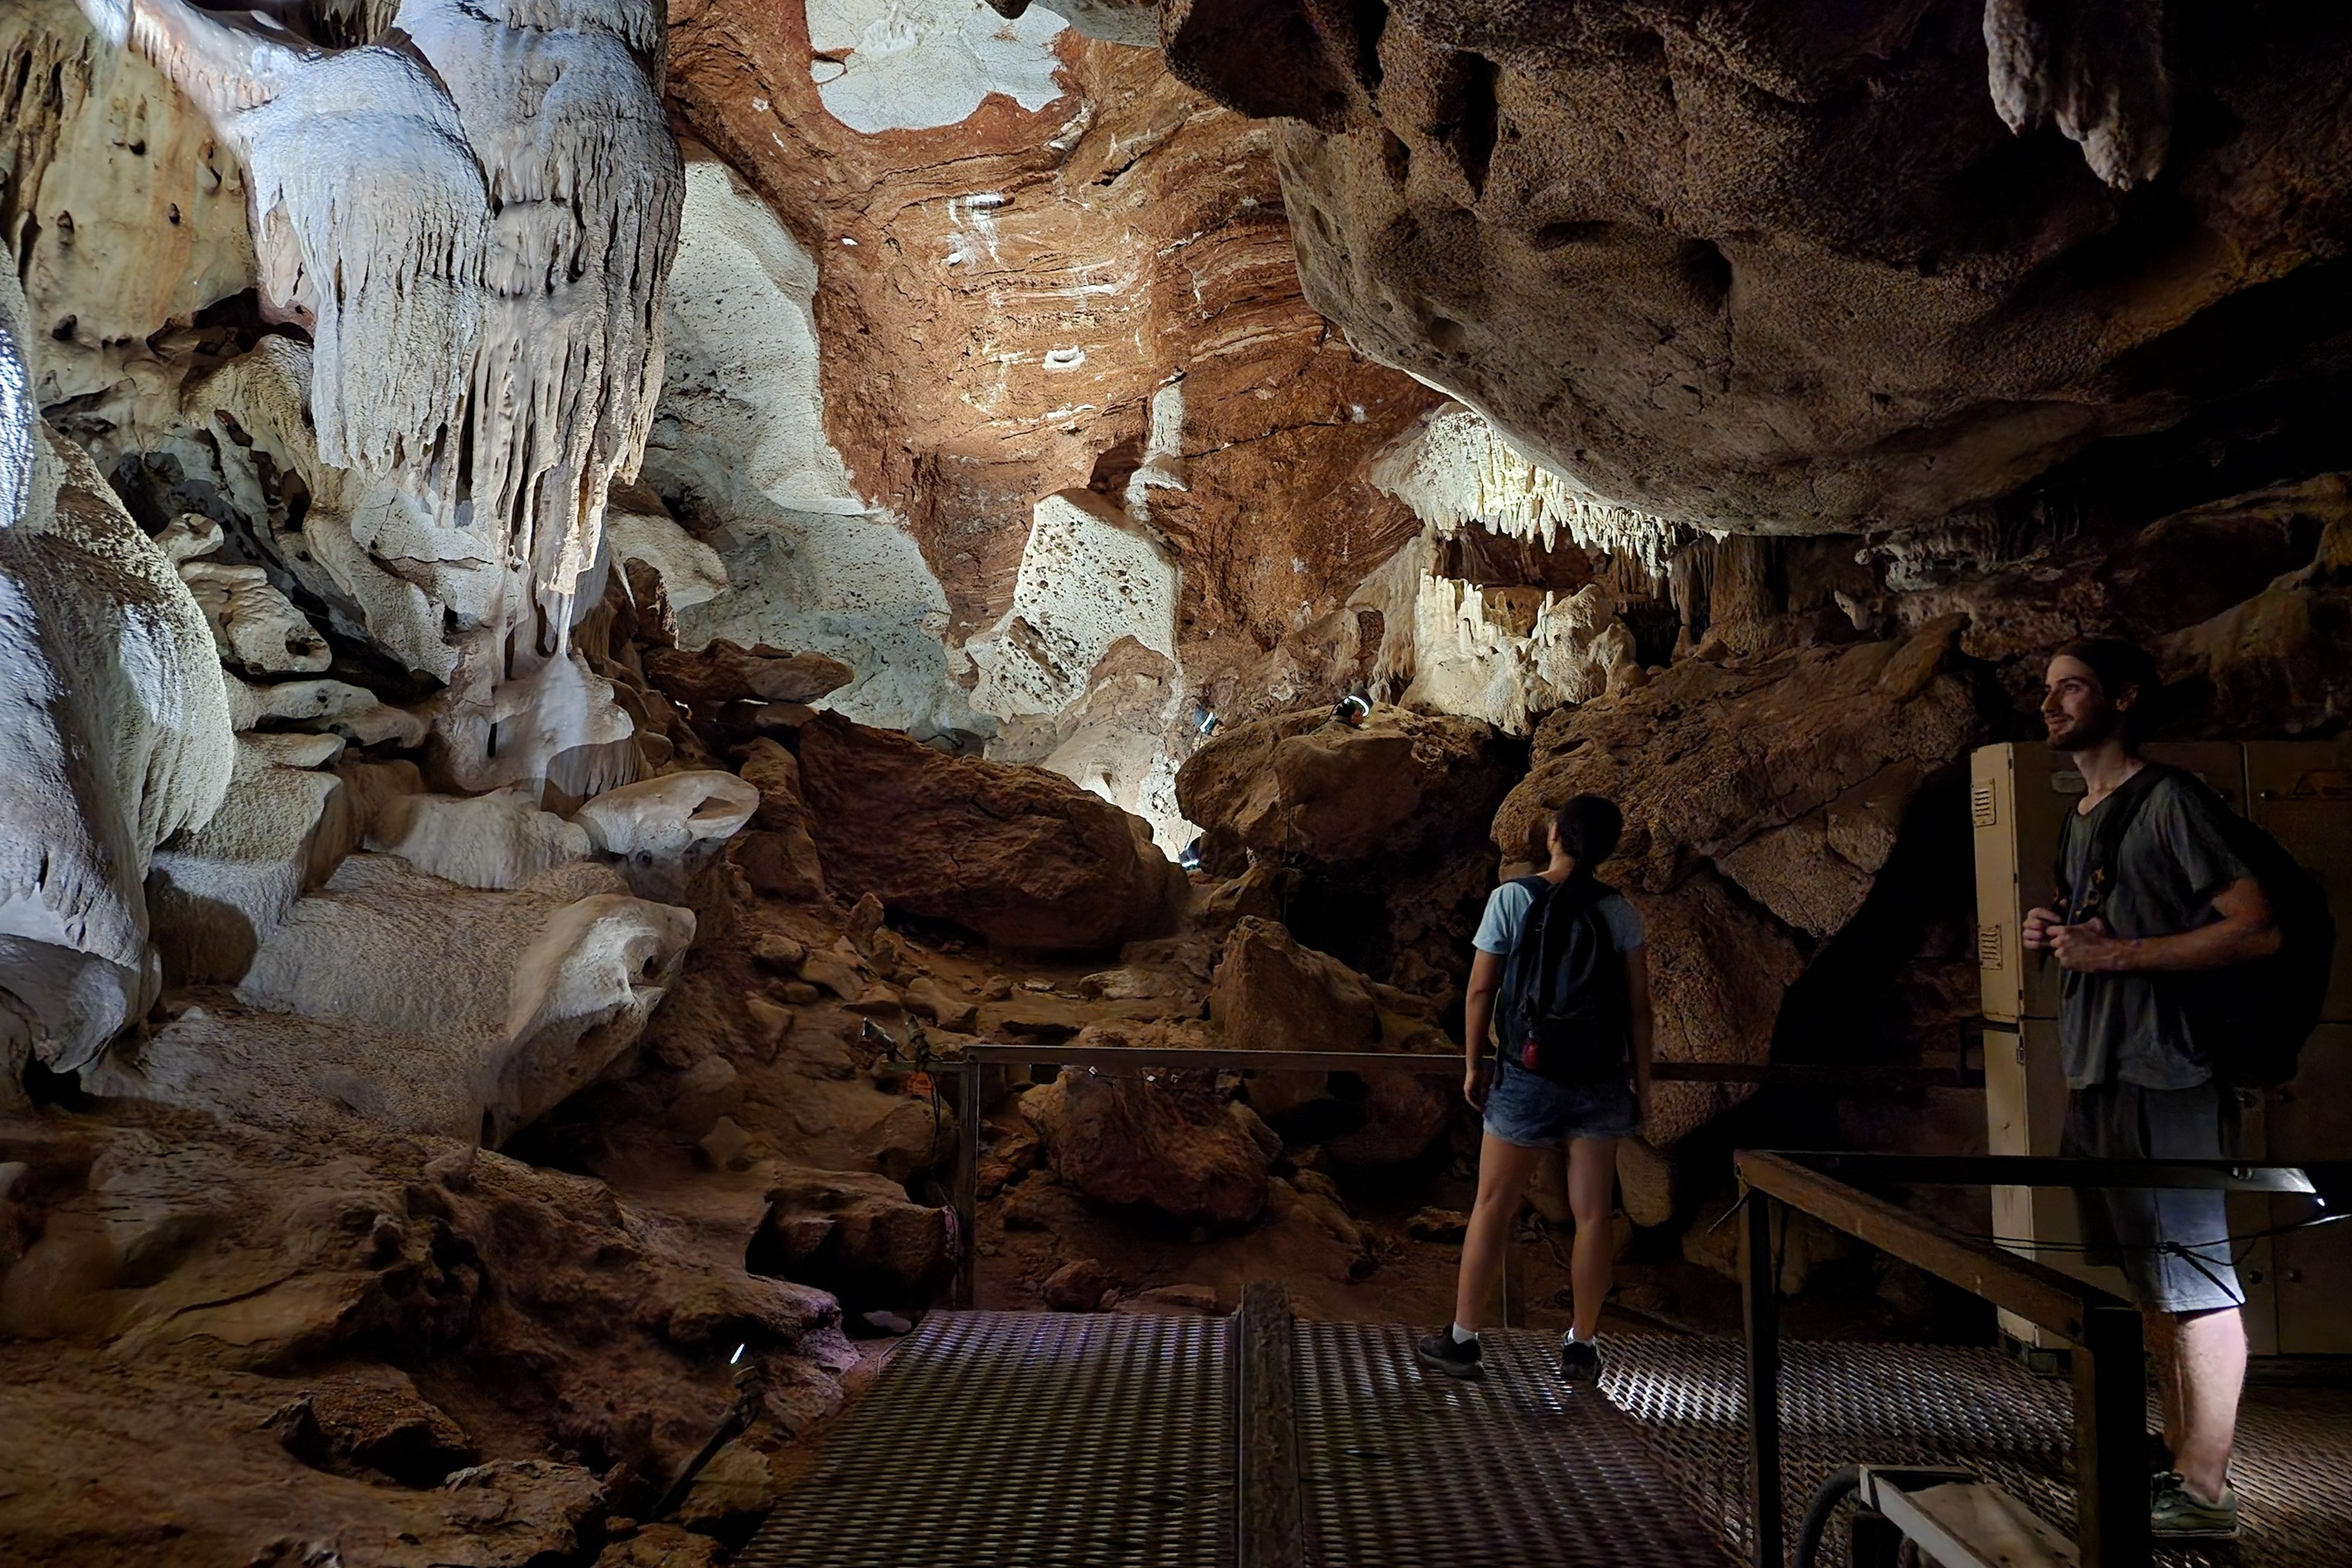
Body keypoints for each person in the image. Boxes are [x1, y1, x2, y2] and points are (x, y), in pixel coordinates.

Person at [2021, 637, 2279, 1541]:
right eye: (2048, 691)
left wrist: (2118, 953)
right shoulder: (2084, 813)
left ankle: (2207, 1489)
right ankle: (2180, 1459)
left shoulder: (2167, 800)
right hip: (2100, 1071)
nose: (2051, 705)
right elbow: (2108, 922)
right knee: (2152, 1280)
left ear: (2123, 697)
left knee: (2198, 1277)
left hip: (2166, 1074)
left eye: (2073, 688)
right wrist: (2058, 929)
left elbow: (2254, 928)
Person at [1416, 795, 1653, 1383]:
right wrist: (1640, 1086)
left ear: (1554, 835)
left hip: (1526, 1072)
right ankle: (1582, 1345)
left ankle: (1464, 1338)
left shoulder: (1512, 899)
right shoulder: (1619, 912)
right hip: (1599, 1079)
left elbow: (1479, 992)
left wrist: (1474, 1065)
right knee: (1594, 1214)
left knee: (1493, 1205)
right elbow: (1640, 1011)